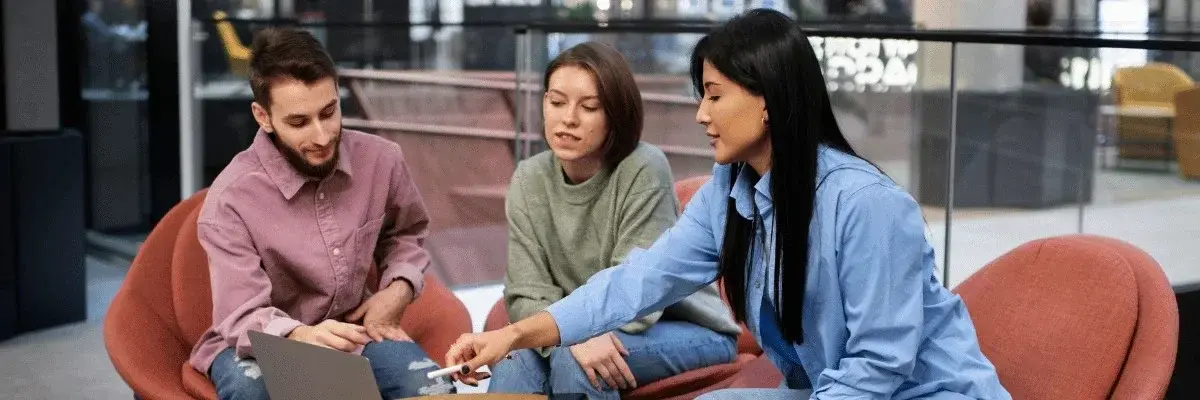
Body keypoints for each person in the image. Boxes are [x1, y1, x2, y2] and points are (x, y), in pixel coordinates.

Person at [446, 9, 1012, 400]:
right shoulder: (730, 192)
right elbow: (638, 281)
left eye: (715, 95)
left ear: (768, 101)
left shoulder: (867, 206)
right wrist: (515, 335)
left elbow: (879, 367)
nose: (701, 114)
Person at [187, 27, 455, 399]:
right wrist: (300, 335)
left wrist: (400, 287)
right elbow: (240, 313)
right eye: (299, 122)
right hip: (260, 343)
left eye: (329, 112)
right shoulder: (230, 200)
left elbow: (406, 234)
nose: (322, 136)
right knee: (251, 393)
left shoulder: (381, 160)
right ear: (263, 116)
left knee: (435, 390)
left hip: (351, 332)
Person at [487, 41, 742, 398]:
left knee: (574, 362)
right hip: (582, 324)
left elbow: (640, 296)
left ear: (615, 115)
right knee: (517, 361)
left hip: (685, 328)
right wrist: (568, 335)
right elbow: (525, 293)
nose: (568, 119)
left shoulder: (643, 168)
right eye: (557, 102)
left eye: (589, 107)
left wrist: (570, 336)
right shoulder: (529, 179)